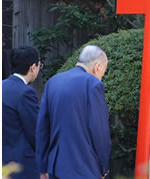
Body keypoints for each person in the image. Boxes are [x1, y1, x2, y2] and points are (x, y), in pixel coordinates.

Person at [36, 45, 111, 179]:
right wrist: (103, 167)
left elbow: (42, 128)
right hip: (85, 168)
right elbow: (100, 131)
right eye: (103, 72)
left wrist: (42, 167)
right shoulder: (93, 84)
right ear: (98, 66)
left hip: (55, 167)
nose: (101, 76)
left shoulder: (53, 82)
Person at [2, 46, 42, 179]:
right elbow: (36, 133)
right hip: (22, 166)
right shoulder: (26, 93)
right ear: (33, 67)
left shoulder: (3, 85)